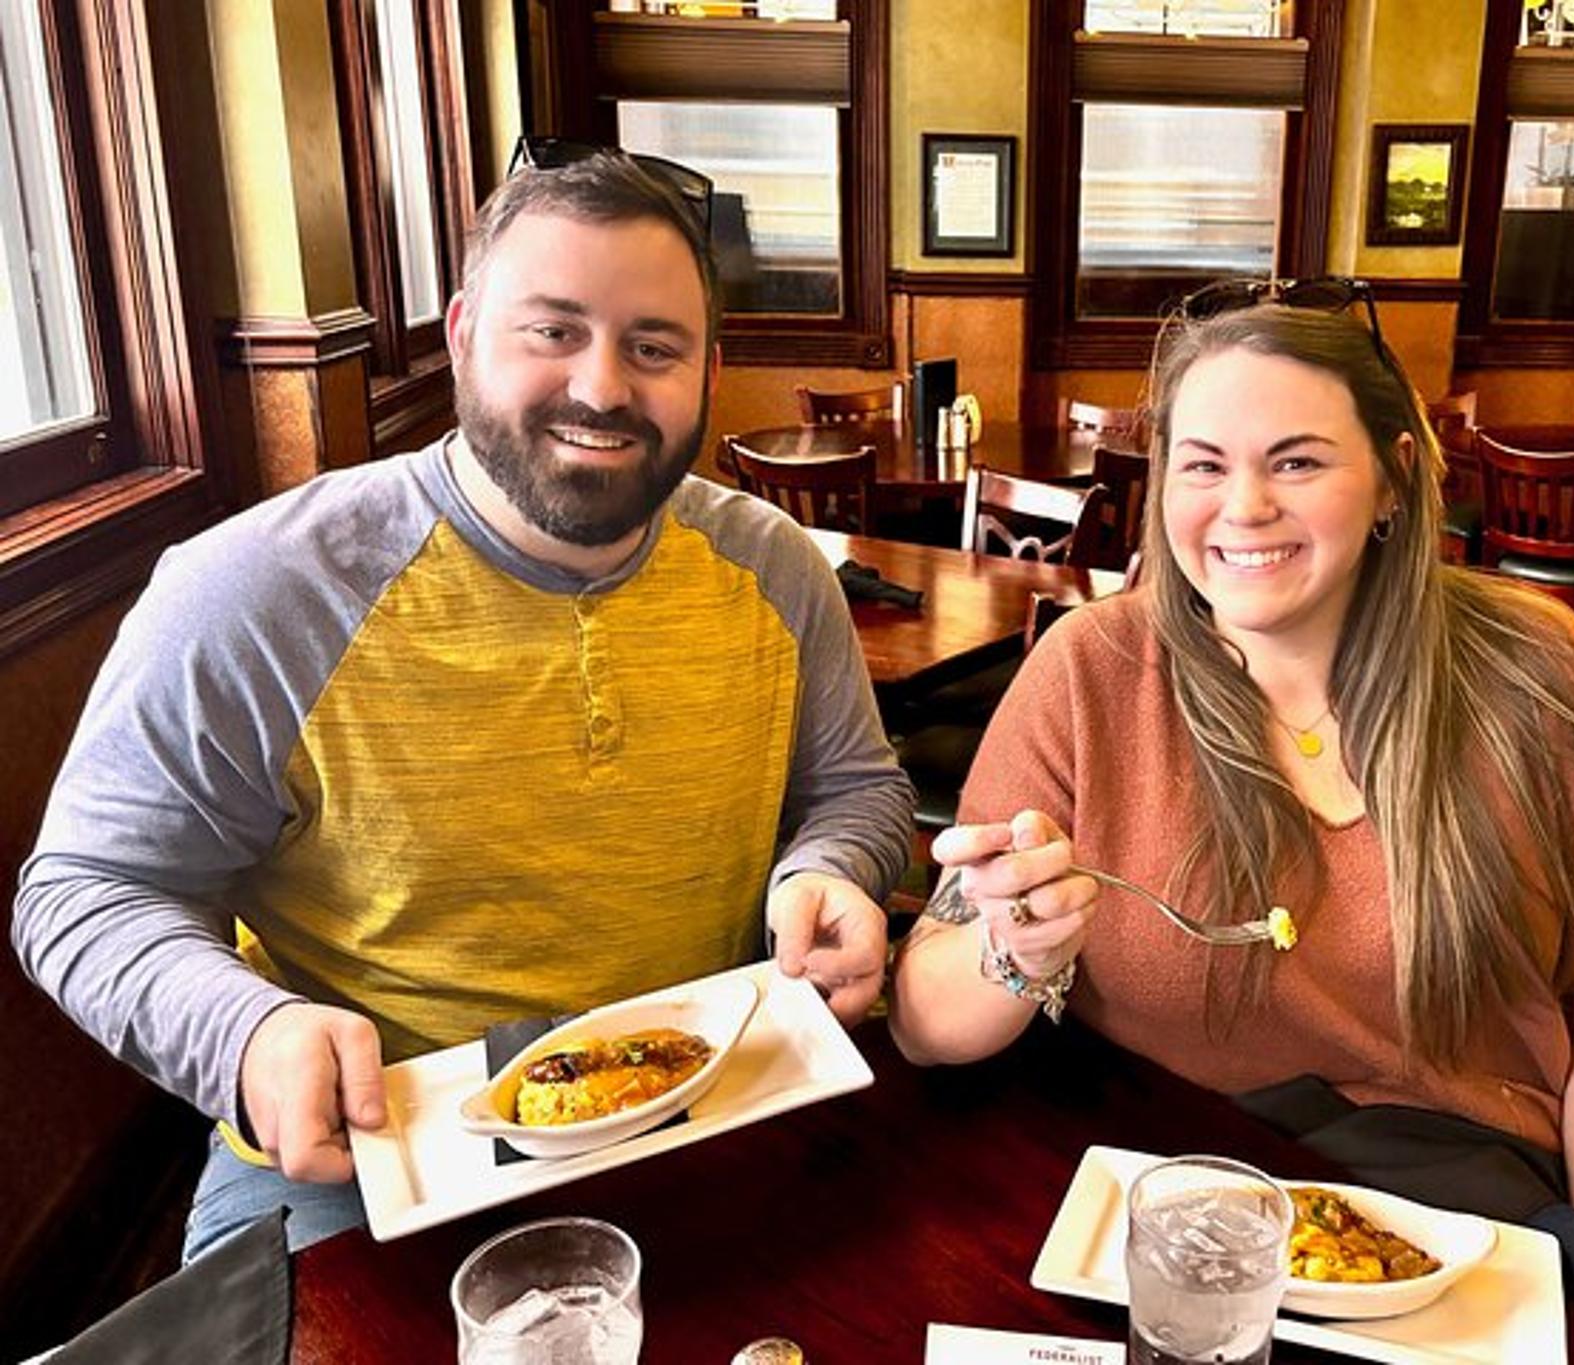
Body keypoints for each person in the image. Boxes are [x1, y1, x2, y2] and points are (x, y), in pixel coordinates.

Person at [12, 143, 914, 1260]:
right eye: (552, 330)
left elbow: (857, 789)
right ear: (459, 336)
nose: (601, 386)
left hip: (713, 1099)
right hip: (370, 1160)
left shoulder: (772, 566)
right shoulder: (254, 591)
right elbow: (87, 890)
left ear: (708, 373)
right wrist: (247, 1031)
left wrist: (830, 867)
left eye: (653, 346)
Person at [888, 293, 1574, 1363]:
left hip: (1458, 1218)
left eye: (1295, 462)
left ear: (1392, 475)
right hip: (1149, 1215)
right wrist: (1009, 951)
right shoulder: (1091, 669)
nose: (1240, 507)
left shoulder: (1538, 672)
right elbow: (926, 1024)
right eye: (1201, 466)